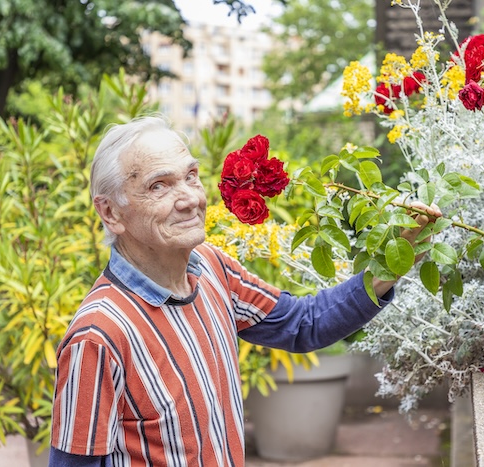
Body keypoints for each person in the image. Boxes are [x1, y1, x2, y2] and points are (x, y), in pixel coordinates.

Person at [48, 116, 442, 467]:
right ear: (111, 213)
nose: (190, 199)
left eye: (190, 176)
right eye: (159, 185)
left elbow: (303, 324)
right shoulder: (98, 336)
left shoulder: (212, 269)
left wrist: (393, 260)